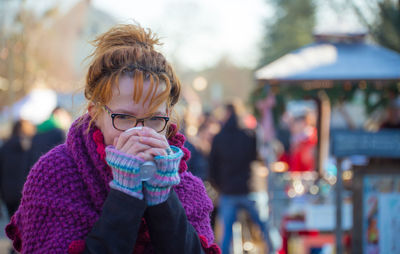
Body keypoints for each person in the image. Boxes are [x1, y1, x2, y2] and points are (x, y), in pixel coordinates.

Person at [6, 24, 220, 254]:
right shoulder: (56, 173)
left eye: (155, 119)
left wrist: (163, 198)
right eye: (125, 117)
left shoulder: (185, 185)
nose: (141, 132)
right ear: (96, 114)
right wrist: (125, 194)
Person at [209, 104, 273, 254]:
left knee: (226, 235)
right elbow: (258, 157)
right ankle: (274, 250)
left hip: (228, 191)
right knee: (265, 227)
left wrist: (220, 185)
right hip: (249, 188)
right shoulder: (249, 135)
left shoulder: (219, 138)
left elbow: (212, 167)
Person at [0, 119, 36, 218]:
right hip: (23, 192)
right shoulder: (27, 147)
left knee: (12, 222)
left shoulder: (4, 147)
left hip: (7, 194)